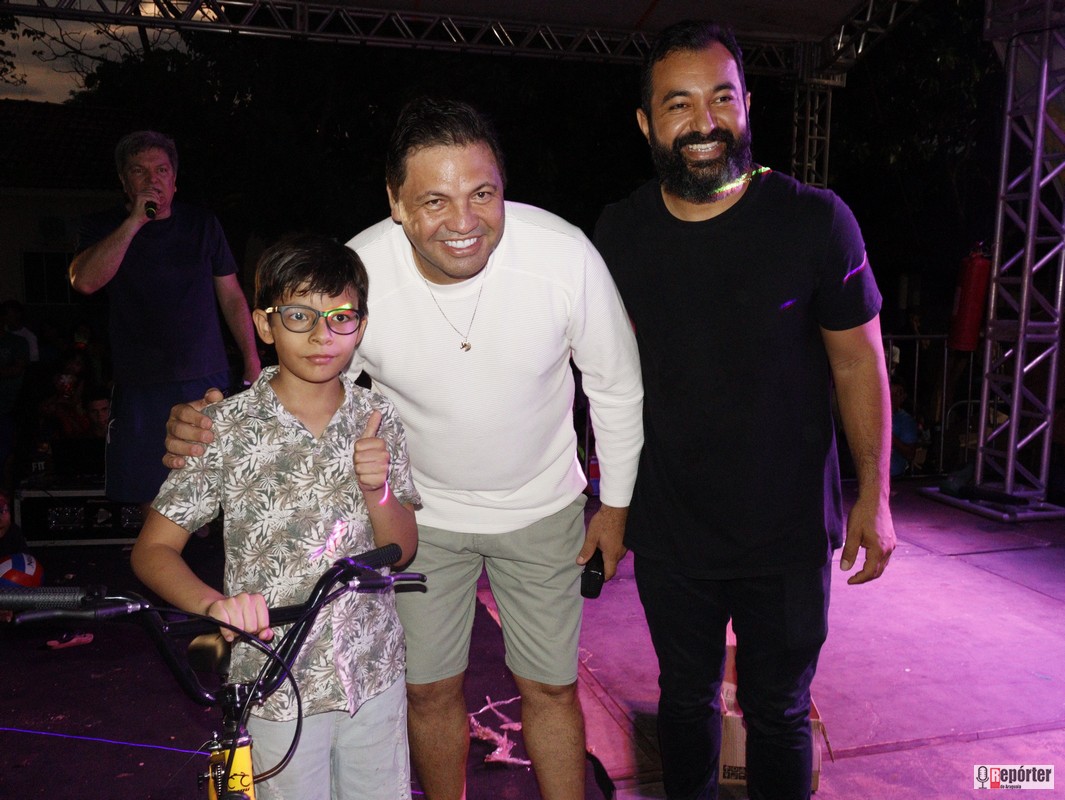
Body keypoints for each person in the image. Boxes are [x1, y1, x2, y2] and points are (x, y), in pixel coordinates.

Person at [163, 97, 645, 800]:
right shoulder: (360, 272)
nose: (463, 221)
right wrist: (218, 420)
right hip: (419, 520)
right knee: (427, 690)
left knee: (550, 687)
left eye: (482, 193)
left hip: (542, 507)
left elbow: (616, 385)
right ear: (395, 201)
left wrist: (616, 508)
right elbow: (309, 369)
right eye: (434, 200)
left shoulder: (563, 255)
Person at [593, 20, 896, 800]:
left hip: (786, 531)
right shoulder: (619, 234)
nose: (704, 122)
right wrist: (608, 506)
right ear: (645, 123)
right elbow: (606, 381)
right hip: (671, 527)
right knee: (682, 701)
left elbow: (857, 362)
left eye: (721, 98)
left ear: (747, 104)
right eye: (678, 104)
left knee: (779, 710)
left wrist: (874, 492)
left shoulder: (815, 220)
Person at [131, 233, 419, 800]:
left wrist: (378, 488)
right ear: (264, 325)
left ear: (360, 326)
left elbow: (403, 549)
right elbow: (152, 550)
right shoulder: (225, 427)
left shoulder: (379, 417)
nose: (321, 335)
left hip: (373, 671)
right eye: (299, 316)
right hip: (272, 682)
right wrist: (214, 604)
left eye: (340, 317)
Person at [69, 131, 261, 511]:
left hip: (203, 376)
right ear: (124, 181)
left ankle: (202, 544)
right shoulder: (103, 226)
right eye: (139, 171)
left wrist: (251, 359)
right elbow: (85, 281)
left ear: (174, 178)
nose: (152, 179)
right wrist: (134, 222)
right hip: (140, 380)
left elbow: (232, 295)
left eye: (161, 170)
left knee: (213, 488)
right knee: (149, 492)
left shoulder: (202, 224)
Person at [890, 381, 920, 477]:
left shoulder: (906, 420)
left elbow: (910, 454)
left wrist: (889, 436)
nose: (892, 397)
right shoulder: (871, 416)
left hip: (894, 476)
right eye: (890, 392)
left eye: (897, 394)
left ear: (903, 397)